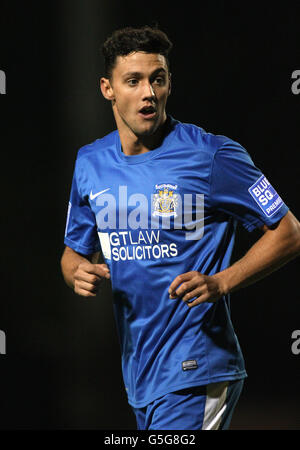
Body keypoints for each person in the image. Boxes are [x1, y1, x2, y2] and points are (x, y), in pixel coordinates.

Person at [61, 25, 300, 430]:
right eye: (133, 81)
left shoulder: (211, 155)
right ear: (108, 89)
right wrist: (74, 273)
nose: (148, 93)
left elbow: (289, 231)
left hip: (197, 365)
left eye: (158, 79)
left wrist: (222, 281)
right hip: (139, 373)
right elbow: (73, 252)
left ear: (170, 83)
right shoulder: (90, 163)